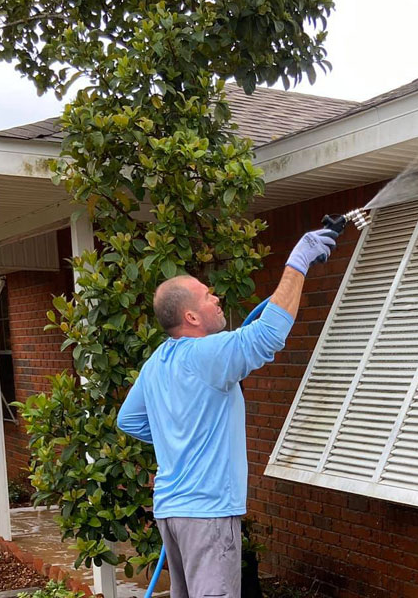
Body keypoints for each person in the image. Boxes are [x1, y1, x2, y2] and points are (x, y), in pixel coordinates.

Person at [117, 228, 339, 598]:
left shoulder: (158, 360)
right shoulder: (207, 354)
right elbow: (268, 335)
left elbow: (130, 420)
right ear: (190, 315)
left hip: (173, 512)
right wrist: (298, 260)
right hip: (207, 513)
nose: (216, 297)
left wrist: (179, 439)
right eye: (207, 296)